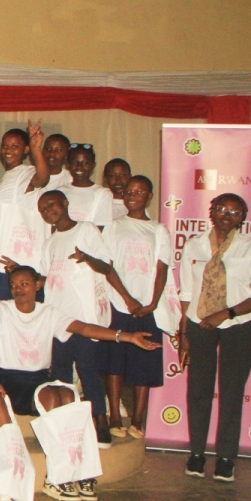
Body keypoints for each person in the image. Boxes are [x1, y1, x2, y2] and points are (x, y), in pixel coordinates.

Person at [0, 265, 161, 501]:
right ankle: (55, 477)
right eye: (13, 286)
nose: (18, 290)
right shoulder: (0, 309)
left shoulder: (49, 313)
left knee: (70, 395)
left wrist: (126, 337)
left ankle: (78, 472)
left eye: (24, 284)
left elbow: (83, 328)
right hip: (10, 377)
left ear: (37, 286)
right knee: (50, 400)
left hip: (38, 377)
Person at [179, 193, 251, 483]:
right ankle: (196, 453)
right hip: (198, 324)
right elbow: (185, 293)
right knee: (199, 391)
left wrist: (225, 314)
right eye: (221, 209)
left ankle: (225, 458)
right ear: (212, 211)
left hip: (238, 326)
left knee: (231, 392)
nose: (226, 215)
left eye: (234, 212)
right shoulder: (193, 245)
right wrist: (184, 334)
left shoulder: (250, 249)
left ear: (242, 218)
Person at [35, 190, 133, 447]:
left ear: (65, 203)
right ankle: (66, 426)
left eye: (52, 204)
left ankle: (100, 422)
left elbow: (106, 267)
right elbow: (48, 277)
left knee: (88, 371)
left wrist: (87, 258)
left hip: (84, 316)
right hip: (59, 319)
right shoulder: (50, 242)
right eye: (43, 209)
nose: (48, 211)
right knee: (61, 374)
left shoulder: (86, 230)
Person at [100, 176, 172, 439]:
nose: (132, 196)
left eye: (139, 192)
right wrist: (127, 299)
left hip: (148, 307)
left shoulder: (158, 230)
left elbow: (162, 268)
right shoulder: (113, 226)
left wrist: (152, 302)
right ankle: (116, 416)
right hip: (120, 304)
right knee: (115, 362)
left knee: (145, 362)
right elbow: (107, 267)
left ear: (149, 196)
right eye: (129, 191)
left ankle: (139, 418)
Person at [0, 123, 49, 302]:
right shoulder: (3, 178)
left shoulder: (26, 173)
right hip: (1, 260)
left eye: (14, 146)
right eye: (5, 146)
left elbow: (42, 178)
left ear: (25, 149)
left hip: (19, 263)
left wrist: (37, 149)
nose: (8, 150)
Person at [59, 144, 113, 229]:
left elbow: (98, 229)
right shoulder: (60, 192)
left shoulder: (103, 194)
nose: (79, 166)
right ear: (68, 165)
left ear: (93, 165)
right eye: (75, 162)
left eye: (85, 163)